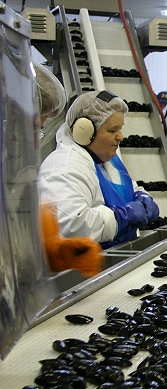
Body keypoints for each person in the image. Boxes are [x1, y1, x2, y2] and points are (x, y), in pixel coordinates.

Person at [38, 90, 160, 249]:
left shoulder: (108, 160)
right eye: (112, 130)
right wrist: (121, 217)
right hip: (89, 270)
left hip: (117, 261)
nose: (120, 137)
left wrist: (142, 196)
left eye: (120, 129)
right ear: (84, 131)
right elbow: (69, 224)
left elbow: (130, 187)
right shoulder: (64, 166)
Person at [33, 61, 103, 277]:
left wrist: (57, 252)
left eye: (39, 130)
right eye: (33, 127)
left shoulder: (17, 178)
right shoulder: (63, 165)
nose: (35, 141)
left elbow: (17, 245)